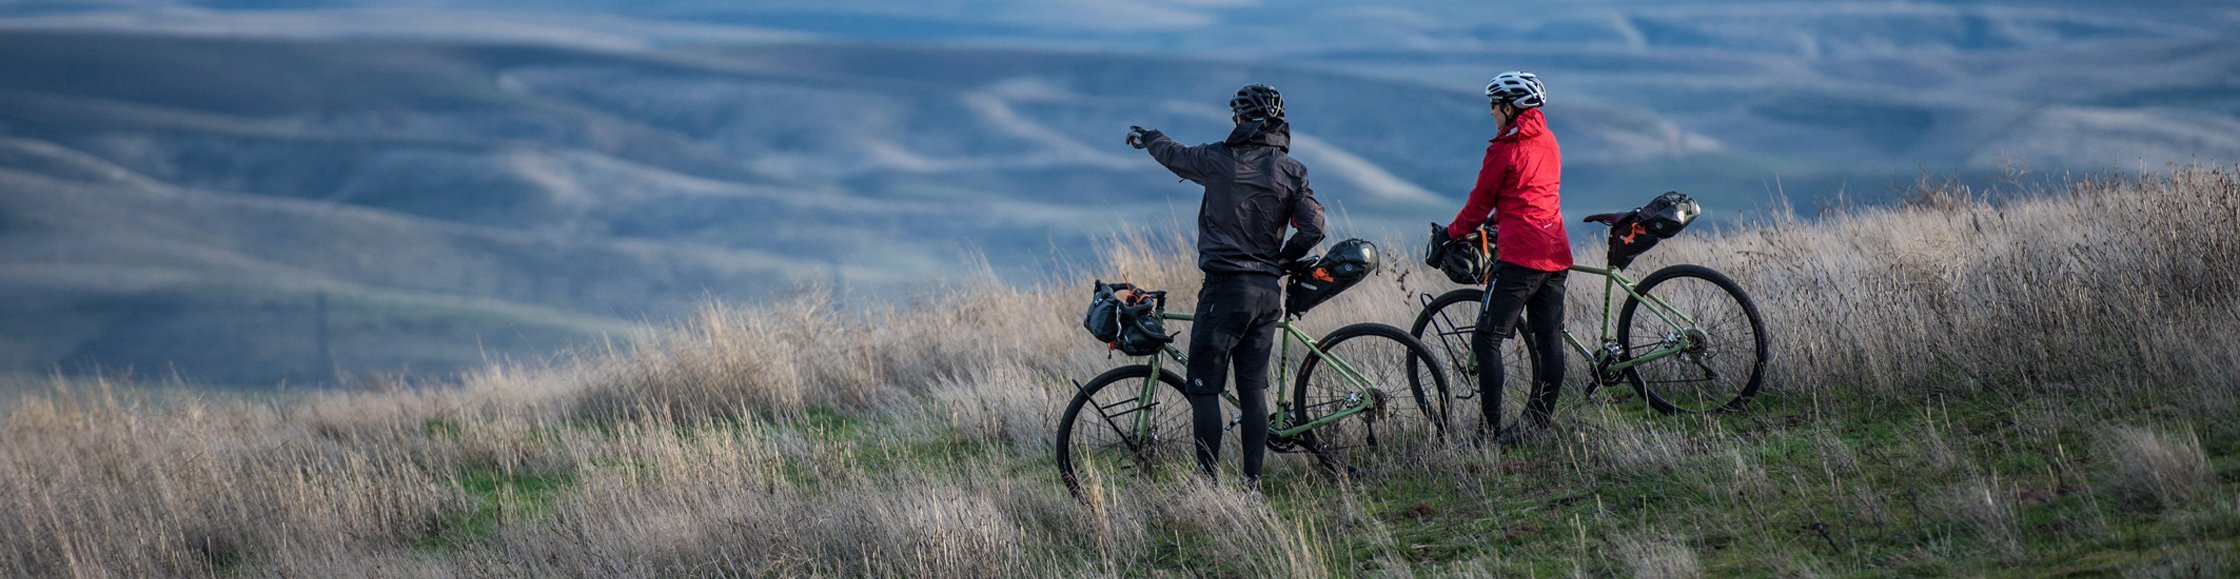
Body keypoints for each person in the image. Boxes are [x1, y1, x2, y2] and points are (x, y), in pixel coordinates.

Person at [1126, 83, 1326, 485]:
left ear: (1240, 118)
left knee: (1202, 387)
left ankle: (1207, 479)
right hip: (1267, 294)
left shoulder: (1218, 159)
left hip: (1224, 289)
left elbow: (1175, 155)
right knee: (1253, 391)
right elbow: (1315, 227)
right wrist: (1281, 260)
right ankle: (1251, 483)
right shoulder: (1292, 169)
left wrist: (1149, 137)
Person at [1445, 71, 1572, 442]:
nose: (1491, 113)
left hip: (1522, 257)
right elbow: (1530, 192)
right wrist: (1499, 218)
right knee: (1549, 339)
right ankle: (1537, 424)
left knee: (1487, 339)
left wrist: (1452, 234)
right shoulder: (1549, 140)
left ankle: (1488, 433)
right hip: (1556, 251)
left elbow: (1478, 202)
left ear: (1511, 108)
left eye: (1494, 106)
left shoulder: (1504, 149)